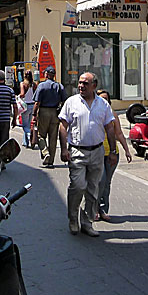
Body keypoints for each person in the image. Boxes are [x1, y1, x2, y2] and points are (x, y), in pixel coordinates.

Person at [58, 72, 116, 237]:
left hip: (97, 151)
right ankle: (73, 218)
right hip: (77, 150)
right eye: (80, 83)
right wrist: (63, 148)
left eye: (85, 83)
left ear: (94, 86)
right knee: (78, 186)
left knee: (93, 189)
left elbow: (110, 128)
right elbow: (63, 126)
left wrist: (112, 151)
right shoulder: (71, 102)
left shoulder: (103, 105)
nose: (81, 86)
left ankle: (87, 222)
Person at [95, 89, 132, 221]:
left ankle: (103, 209)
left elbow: (119, 134)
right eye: (101, 98)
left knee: (107, 183)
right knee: (100, 181)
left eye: (106, 98)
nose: (104, 101)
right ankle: (94, 208)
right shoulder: (94, 113)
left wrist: (127, 150)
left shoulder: (113, 114)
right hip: (97, 153)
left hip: (111, 153)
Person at [34, 66, 67, 167]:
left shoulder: (42, 86)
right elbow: (64, 100)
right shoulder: (59, 86)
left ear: (47, 74)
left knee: (41, 135)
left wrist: (34, 115)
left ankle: (45, 152)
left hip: (43, 111)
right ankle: (50, 161)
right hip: (55, 112)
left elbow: (37, 102)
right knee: (53, 137)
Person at [18, 71, 36, 148]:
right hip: (32, 105)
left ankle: (29, 137)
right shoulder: (34, 84)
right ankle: (25, 142)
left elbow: (22, 94)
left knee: (25, 126)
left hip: (25, 106)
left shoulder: (23, 84)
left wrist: (18, 96)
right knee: (28, 124)